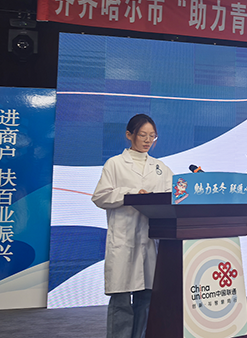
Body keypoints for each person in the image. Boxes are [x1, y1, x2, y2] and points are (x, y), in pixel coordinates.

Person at [92, 114, 174, 338]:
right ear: (129, 135)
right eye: (143, 135)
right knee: (120, 300)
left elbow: (174, 196)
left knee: (146, 298)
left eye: (152, 136)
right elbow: (100, 196)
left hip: (149, 240)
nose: (148, 140)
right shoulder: (115, 164)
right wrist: (131, 195)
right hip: (123, 239)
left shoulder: (160, 168)